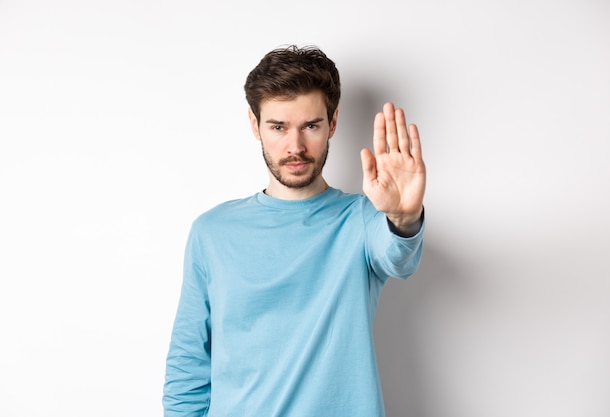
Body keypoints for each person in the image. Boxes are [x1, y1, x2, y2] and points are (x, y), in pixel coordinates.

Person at [163, 44, 426, 417]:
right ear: (255, 126)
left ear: (333, 123)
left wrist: (403, 217)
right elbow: (188, 365)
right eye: (278, 127)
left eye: (311, 126)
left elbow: (400, 257)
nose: (295, 146)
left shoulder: (363, 220)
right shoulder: (212, 232)